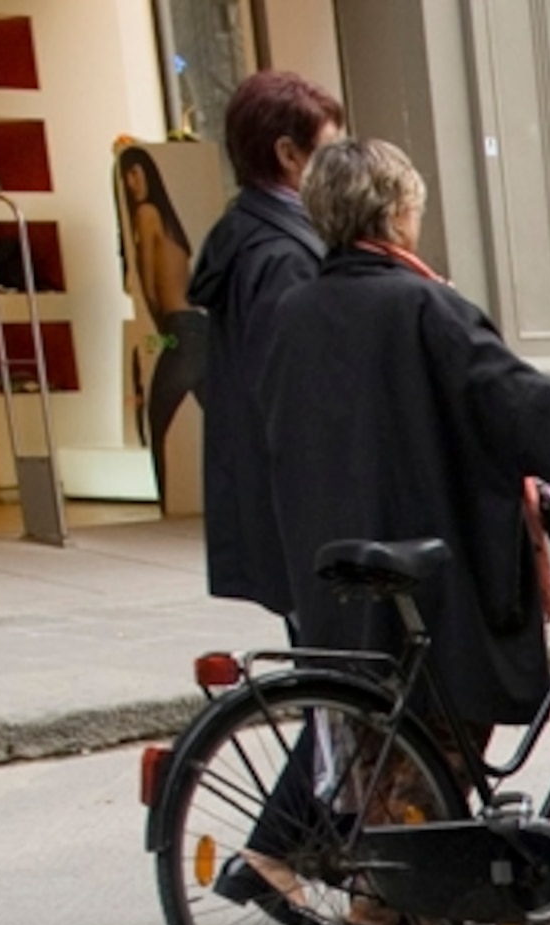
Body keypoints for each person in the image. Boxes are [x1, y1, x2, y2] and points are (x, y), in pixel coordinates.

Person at [261, 139, 550, 925]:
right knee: (445, 719)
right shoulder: (424, 307)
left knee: (382, 731)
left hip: (334, 562)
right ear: (395, 212)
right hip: (433, 552)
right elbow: (521, 403)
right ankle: (401, 906)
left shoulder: (296, 310)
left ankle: (425, 895)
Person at [190, 70, 343, 618]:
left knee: (326, 667)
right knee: (336, 666)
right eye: (329, 150)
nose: (339, 165)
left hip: (277, 495)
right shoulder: (283, 256)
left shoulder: (253, 237)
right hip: (304, 502)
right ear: (289, 155)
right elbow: (299, 390)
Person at [113, 149, 202, 508]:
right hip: (199, 327)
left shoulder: (146, 215)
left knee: (156, 422)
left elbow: (147, 284)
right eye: (126, 178)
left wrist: (158, 335)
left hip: (179, 329)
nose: (131, 184)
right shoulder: (170, 221)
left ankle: (166, 501)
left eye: (134, 174)